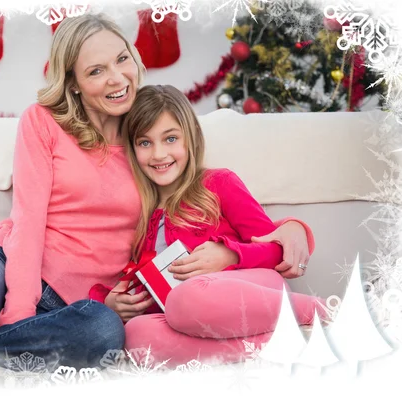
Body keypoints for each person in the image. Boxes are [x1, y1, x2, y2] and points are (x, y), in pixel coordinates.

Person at [0, 13, 315, 370]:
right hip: (7, 266)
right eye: (96, 72)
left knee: (103, 333)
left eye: (122, 60)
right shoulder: (44, 123)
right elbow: (28, 223)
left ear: (135, 58)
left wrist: (292, 227)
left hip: (81, 307)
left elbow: (202, 189)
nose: (116, 78)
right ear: (74, 83)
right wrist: (17, 317)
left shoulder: (144, 134)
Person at [99, 84, 328, 366]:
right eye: (145, 143)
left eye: (170, 139)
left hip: (252, 289)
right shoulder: (142, 215)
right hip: (194, 314)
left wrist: (229, 256)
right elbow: (148, 291)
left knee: (187, 298)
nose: (159, 154)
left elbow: (274, 249)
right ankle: (274, 345)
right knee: (136, 336)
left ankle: (317, 311)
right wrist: (113, 305)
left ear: (190, 139)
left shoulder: (217, 183)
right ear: (133, 150)